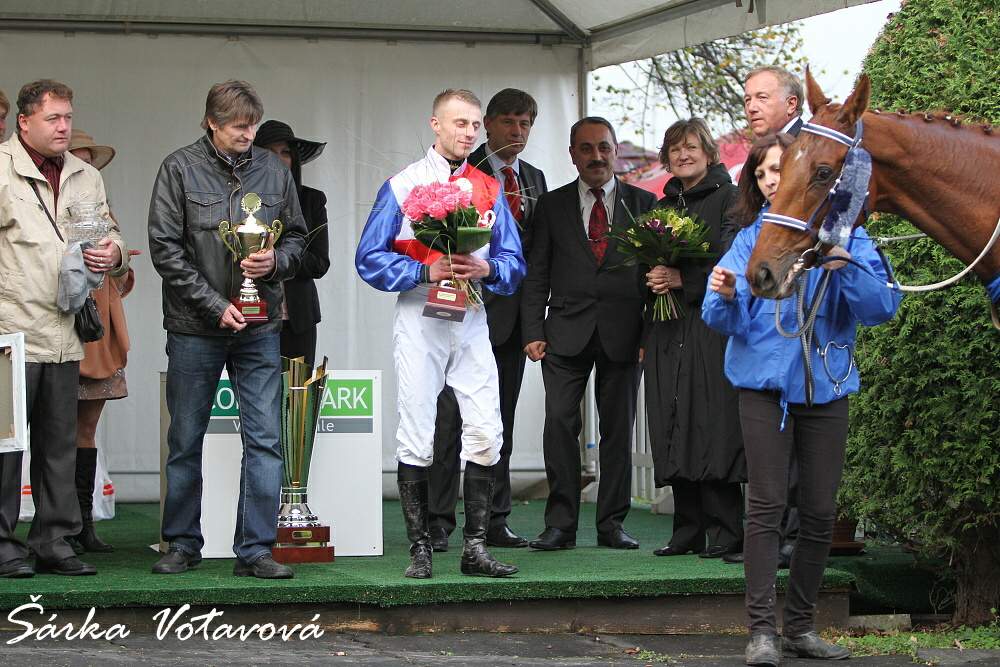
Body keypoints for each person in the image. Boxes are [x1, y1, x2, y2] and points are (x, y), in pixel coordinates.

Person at [702, 133, 901, 665]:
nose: (772, 181)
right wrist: (723, 297)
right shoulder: (750, 241)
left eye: (779, 171)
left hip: (827, 389)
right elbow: (723, 320)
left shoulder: (850, 237)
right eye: (764, 173)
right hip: (764, 391)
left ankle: (802, 629)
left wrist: (843, 262)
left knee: (818, 513)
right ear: (759, 182)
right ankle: (762, 632)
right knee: (766, 508)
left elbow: (881, 308)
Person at [355, 89, 525, 579]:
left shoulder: (488, 188)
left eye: (474, 125)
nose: (468, 133)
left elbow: (515, 265)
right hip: (420, 317)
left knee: (486, 428)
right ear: (435, 123)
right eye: (459, 123)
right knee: (417, 428)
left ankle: (475, 547)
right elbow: (369, 257)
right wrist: (423, 271)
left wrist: (485, 265)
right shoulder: (403, 184)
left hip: (471, 319)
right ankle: (421, 547)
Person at [148, 80, 307, 579]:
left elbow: (300, 239)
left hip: (260, 325)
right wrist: (216, 305)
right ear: (211, 122)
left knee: (265, 438)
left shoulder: (274, 172)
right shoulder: (179, 167)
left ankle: (256, 549)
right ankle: (180, 542)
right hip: (196, 325)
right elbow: (164, 249)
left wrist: (275, 262)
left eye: (253, 124)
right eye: (239, 125)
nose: (248, 133)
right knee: (186, 437)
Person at [0, 79, 129, 577]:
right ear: (24, 122)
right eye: (53, 118)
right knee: (6, 448)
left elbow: (107, 230)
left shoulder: (84, 175)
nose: (63, 127)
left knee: (59, 442)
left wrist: (113, 252)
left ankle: (54, 540)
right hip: (10, 331)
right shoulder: (3, 167)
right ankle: (3, 543)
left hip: (65, 331)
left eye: (68, 117)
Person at [521, 117, 656, 551]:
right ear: (572, 154)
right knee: (559, 423)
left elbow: (653, 276)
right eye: (586, 148)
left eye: (603, 147)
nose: (596, 156)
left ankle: (611, 524)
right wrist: (532, 329)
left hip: (625, 333)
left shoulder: (644, 204)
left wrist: (647, 336)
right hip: (563, 331)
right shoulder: (552, 205)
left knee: (618, 428)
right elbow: (536, 272)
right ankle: (560, 524)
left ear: (616, 150)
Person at [429, 88, 548, 552]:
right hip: (458, 310)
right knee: (448, 420)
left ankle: (494, 518)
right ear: (488, 124)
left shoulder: (535, 178)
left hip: (513, 319)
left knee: (499, 421)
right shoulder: (461, 169)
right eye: (508, 122)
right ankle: (439, 520)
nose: (516, 132)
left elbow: (533, 259)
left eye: (525, 124)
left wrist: (533, 323)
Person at [643, 119, 745, 559]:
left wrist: (686, 279)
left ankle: (726, 531)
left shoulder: (731, 199)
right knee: (672, 418)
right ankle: (686, 530)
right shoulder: (664, 205)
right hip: (667, 328)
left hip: (709, 325)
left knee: (711, 422)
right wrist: (650, 275)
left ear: (708, 151)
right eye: (675, 150)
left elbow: (733, 261)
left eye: (691, 148)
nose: (683, 156)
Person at [68, 129, 139, 555]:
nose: (84, 166)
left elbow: (121, 282)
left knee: (86, 429)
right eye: (78, 159)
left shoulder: (104, 212)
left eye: (88, 160)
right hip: (57, 324)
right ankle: (54, 525)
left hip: (98, 332)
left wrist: (120, 266)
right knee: (50, 430)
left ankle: (83, 524)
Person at [253, 120, 330, 368]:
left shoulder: (311, 200)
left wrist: (280, 258)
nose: (278, 159)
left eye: (285, 152)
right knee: (256, 398)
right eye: (269, 152)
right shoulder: (243, 199)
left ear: (294, 160)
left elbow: (319, 264)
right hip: (252, 315)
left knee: (297, 400)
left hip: (297, 318)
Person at [743, 66, 804, 138]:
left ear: (791, 104)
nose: (751, 108)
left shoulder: (811, 144)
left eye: (762, 97)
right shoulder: (767, 146)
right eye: (748, 100)